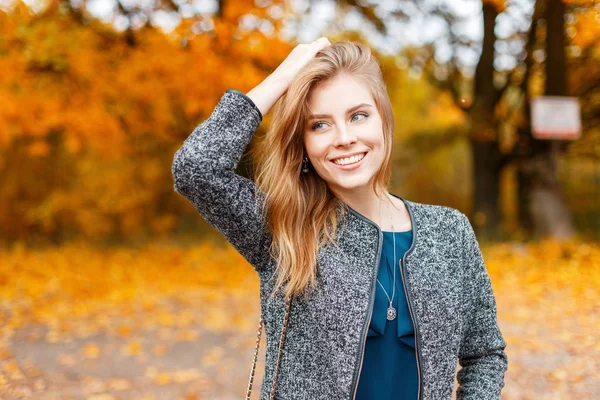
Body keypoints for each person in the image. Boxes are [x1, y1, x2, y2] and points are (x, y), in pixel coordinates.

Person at [171, 38, 508, 400]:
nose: (344, 138)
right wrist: (282, 78)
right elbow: (195, 169)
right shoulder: (283, 227)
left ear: (383, 122)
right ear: (302, 144)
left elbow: (484, 354)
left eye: (358, 116)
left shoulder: (450, 233)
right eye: (319, 125)